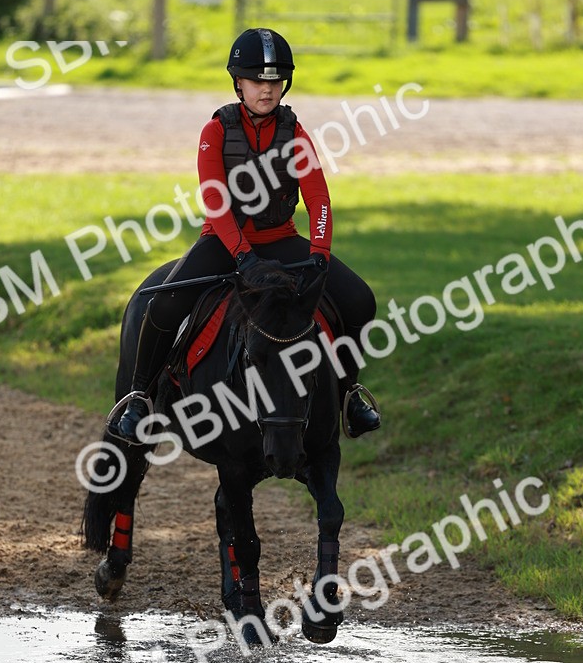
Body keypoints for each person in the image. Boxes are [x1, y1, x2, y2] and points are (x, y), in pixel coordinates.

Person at [109, 26, 380, 442]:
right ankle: (138, 398)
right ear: (238, 83)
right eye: (257, 81)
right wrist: (242, 256)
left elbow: (319, 199)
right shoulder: (215, 132)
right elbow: (215, 202)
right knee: (161, 306)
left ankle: (348, 394)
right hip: (223, 242)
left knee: (361, 300)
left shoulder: (296, 133)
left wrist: (320, 253)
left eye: (274, 81)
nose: (267, 90)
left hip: (282, 239)